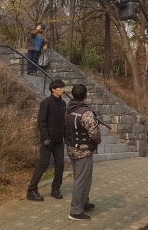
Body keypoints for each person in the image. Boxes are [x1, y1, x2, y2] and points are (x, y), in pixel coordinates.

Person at [65, 84, 102, 221]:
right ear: (86, 96)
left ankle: (84, 203)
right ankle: (75, 211)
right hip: (83, 150)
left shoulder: (67, 109)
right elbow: (94, 133)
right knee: (81, 180)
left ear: (73, 96)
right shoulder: (85, 113)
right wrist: (96, 142)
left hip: (71, 148)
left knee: (81, 178)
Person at [27, 79, 67, 201]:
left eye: (63, 87)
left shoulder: (63, 104)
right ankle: (31, 190)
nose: (62, 89)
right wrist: (45, 138)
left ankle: (55, 189)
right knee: (43, 164)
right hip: (48, 140)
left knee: (60, 165)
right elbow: (42, 121)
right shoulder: (46, 103)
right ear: (53, 89)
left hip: (59, 140)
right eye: (60, 87)